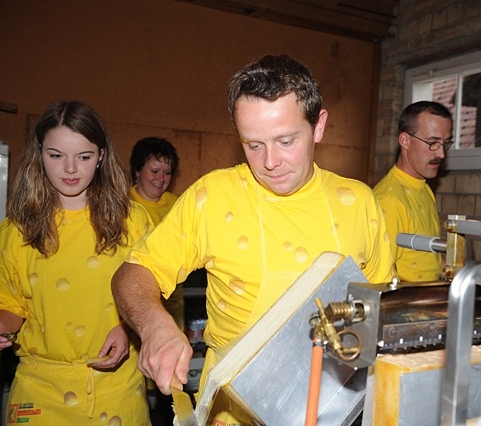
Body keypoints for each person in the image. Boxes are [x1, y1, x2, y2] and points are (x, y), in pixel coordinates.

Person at [111, 54, 395, 425]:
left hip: (334, 409)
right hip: (232, 411)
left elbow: (382, 307)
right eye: (253, 145)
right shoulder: (213, 197)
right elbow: (134, 273)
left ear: (319, 126)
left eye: (285, 141)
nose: (270, 161)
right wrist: (154, 326)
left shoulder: (359, 203)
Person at [0, 101, 152, 424]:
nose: (70, 169)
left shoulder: (133, 222)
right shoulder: (15, 231)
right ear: (39, 154)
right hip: (38, 391)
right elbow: (12, 305)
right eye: (56, 155)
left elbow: (155, 291)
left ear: (100, 156)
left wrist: (128, 327)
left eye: (83, 157)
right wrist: (4, 326)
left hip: (117, 390)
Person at [128, 136, 183, 425]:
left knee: (170, 370)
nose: (161, 179)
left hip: (171, 303)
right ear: (137, 171)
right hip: (135, 305)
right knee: (138, 367)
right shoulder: (123, 206)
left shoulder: (177, 205)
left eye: (167, 172)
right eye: (154, 170)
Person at [373, 101, 452, 282]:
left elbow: (425, 259)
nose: (441, 154)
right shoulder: (389, 200)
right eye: (432, 143)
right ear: (405, 141)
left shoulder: (424, 188)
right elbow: (380, 278)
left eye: (445, 143)